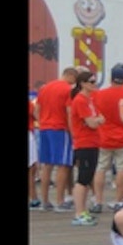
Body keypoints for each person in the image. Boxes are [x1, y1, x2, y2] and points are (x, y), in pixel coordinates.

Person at [92, 63, 123, 212]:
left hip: (104, 137)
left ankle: (98, 200)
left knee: (101, 168)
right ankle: (118, 200)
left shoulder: (100, 94)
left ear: (111, 78)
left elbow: (97, 113)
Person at [35, 66, 78, 211]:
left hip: (44, 128)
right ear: (71, 76)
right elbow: (69, 113)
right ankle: (60, 201)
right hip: (60, 129)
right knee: (63, 165)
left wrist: (42, 122)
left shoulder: (45, 88)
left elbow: (37, 110)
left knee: (46, 165)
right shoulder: (68, 90)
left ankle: (45, 201)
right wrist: (74, 134)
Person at [69, 70, 105, 226]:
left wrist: (97, 120)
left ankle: (84, 210)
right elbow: (92, 122)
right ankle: (79, 212)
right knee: (82, 179)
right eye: (91, 82)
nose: (94, 84)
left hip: (93, 142)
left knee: (88, 176)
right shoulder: (80, 101)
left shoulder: (89, 100)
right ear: (82, 83)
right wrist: (97, 120)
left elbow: (99, 119)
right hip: (84, 142)